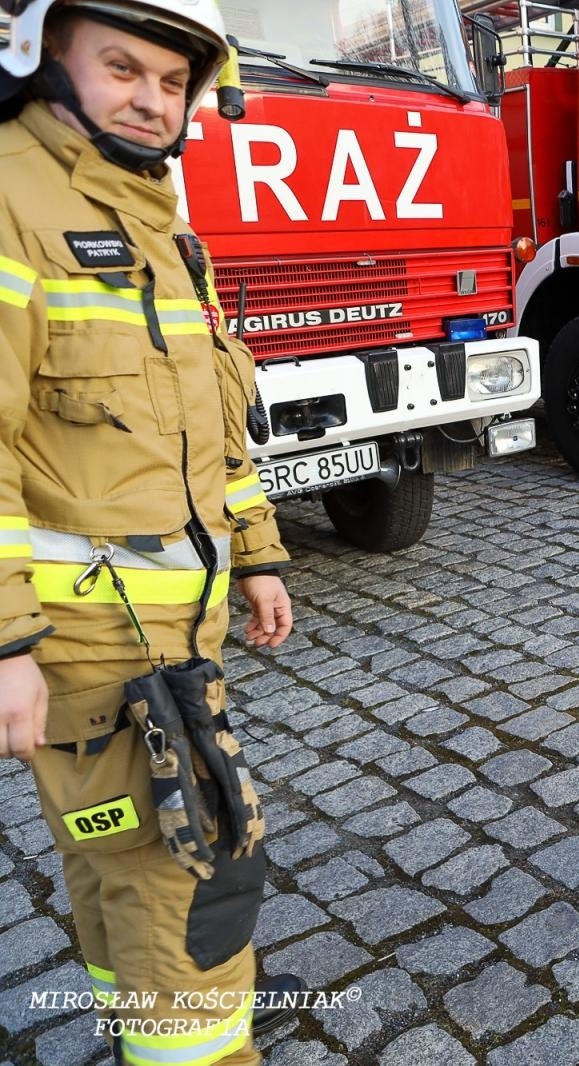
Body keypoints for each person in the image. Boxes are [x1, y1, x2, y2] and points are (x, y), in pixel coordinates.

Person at [0, 0, 300, 1061]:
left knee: (111, 860)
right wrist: (7, 647)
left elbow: (210, 418)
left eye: (172, 82)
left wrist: (258, 551)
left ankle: (143, 1015)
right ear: (44, 59)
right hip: (89, 649)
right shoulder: (10, 195)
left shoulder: (154, 215)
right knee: (186, 864)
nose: (149, 98)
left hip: (172, 637)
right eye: (121, 67)